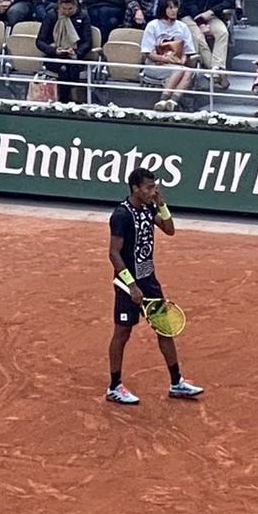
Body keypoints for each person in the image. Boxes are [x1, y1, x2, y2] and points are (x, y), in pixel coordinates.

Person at [106, 166, 203, 405]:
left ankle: (176, 382)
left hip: (149, 281)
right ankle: (114, 386)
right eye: (149, 188)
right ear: (135, 188)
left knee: (164, 329)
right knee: (122, 333)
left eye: (154, 187)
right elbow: (113, 254)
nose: (153, 191)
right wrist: (131, 286)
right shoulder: (121, 215)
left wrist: (161, 203)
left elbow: (169, 230)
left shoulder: (150, 207)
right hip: (128, 284)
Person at [181, 0, 236, 87]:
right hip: (190, 16)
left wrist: (211, 11)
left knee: (223, 32)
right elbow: (189, 2)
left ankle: (215, 71)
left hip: (210, 16)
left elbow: (230, 1)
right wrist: (200, 22)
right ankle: (217, 71)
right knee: (199, 38)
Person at [141, 0, 198, 112]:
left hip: (176, 65)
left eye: (175, 7)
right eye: (170, 8)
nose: (174, 10)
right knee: (181, 70)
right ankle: (165, 100)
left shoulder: (182, 27)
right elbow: (148, 53)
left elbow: (187, 52)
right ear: (163, 9)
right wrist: (165, 59)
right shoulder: (152, 25)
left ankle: (170, 101)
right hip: (155, 65)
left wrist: (182, 59)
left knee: (188, 71)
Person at [35, 0, 92, 102]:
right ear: (59, 6)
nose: (67, 12)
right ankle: (67, 101)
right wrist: (54, 50)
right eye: (64, 9)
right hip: (54, 56)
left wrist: (77, 53)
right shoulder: (51, 16)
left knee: (71, 68)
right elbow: (40, 41)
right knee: (63, 69)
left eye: (70, 9)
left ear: (76, 6)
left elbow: (87, 42)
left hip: (75, 57)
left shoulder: (83, 16)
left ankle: (71, 100)